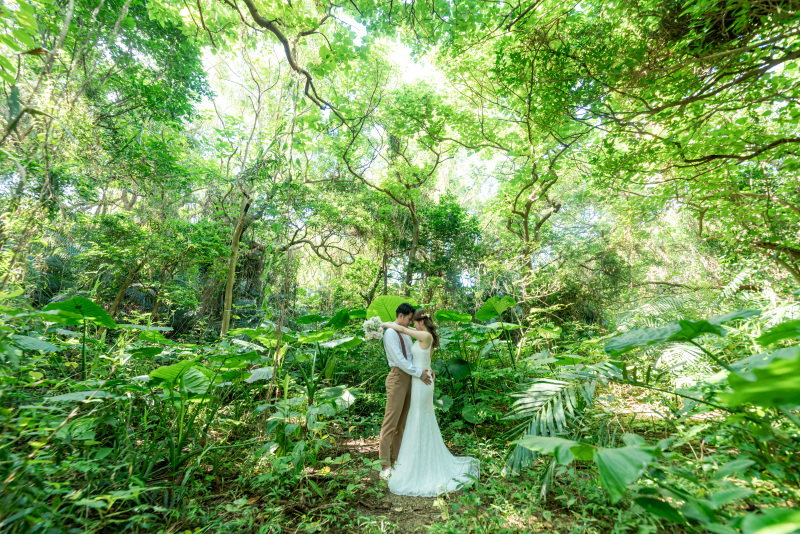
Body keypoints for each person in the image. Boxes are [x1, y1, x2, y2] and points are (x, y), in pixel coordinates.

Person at [381, 309, 480, 496]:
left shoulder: (424, 335)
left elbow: (404, 331)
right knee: (416, 418)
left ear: (421, 321)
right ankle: (413, 458)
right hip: (420, 379)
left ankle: (418, 461)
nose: (412, 324)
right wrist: (428, 368)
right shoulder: (424, 337)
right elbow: (420, 357)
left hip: (421, 382)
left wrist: (384, 324)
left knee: (418, 417)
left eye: (414, 321)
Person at [377, 303, 433, 479]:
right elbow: (400, 360)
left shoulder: (405, 334)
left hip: (411, 379)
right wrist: (419, 373)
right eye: (409, 319)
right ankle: (385, 465)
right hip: (398, 378)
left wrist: (426, 368)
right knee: (390, 422)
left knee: (402, 424)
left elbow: (412, 355)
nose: (411, 323)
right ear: (400, 316)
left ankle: (398, 459)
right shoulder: (390, 334)